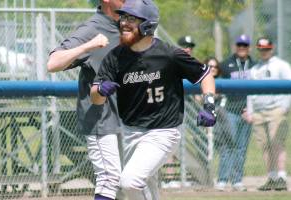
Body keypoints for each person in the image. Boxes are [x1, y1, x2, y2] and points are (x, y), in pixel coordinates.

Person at [90, 0, 216, 199]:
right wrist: (100, 91)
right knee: (146, 188)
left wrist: (209, 105)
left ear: (147, 24)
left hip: (163, 132)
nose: (124, 22)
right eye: (123, 17)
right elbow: (96, 99)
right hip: (131, 131)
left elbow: (205, 74)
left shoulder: (169, 54)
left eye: (131, 18)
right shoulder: (115, 57)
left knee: (129, 182)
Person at [47, 1, 125, 200]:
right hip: (102, 120)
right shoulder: (92, 28)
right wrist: (89, 45)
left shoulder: (129, 26)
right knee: (109, 179)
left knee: (134, 182)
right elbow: (53, 63)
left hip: (130, 120)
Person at [246, 37, 291, 191]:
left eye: (266, 49)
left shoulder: (282, 65)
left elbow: (289, 85)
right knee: (265, 146)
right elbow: (250, 92)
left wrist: (285, 106)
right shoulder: (254, 69)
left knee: (277, 142)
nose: (264, 51)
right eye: (261, 49)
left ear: (272, 49)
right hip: (259, 111)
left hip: (276, 109)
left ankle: (282, 177)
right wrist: (250, 111)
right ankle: (271, 177)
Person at [216, 34, 256, 191]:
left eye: (244, 45)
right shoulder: (226, 64)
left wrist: (251, 109)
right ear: (235, 46)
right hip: (230, 111)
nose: (241, 48)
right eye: (239, 45)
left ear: (249, 48)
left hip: (247, 111)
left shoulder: (255, 65)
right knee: (228, 146)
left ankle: (237, 180)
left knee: (241, 148)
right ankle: (222, 179)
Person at [161, 35, 198, 189]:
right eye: (184, 45)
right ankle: (169, 178)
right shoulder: (170, 60)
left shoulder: (192, 62)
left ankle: (184, 177)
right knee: (168, 145)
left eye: (190, 46)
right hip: (170, 109)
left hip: (190, 108)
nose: (187, 48)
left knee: (188, 142)